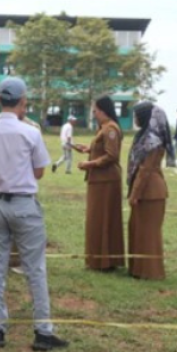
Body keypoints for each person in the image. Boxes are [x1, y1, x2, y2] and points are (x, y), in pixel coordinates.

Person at [0, 77, 68, 352]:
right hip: (24, 204)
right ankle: (42, 331)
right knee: (35, 268)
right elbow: (39, 171)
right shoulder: (30, 133)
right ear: (23, 101)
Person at [77, 96, 125, 271]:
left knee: (103, 220)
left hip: (106, 181)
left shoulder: (110, 128)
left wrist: (90, 164)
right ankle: (97, 260)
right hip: (99, 180)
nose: (94, 114)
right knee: (97, 220)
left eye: (95, 111)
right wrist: (88, 149)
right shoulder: (103, 128)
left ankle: (104, 262)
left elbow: (112, 155)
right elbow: (102, 148)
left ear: (103, 111)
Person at [126, 101, 173, 280]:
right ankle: (138, 269)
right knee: (138, 230)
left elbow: (145, 170)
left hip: (150, 191)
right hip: (145, 190)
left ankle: (151, 271)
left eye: (137, 115)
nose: (135, 118)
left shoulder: (152, 141)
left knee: (149, 233)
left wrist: (135, 194)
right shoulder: (143, 136)